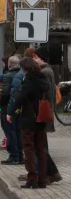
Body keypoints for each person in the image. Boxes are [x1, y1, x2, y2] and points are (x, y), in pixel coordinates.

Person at [7, 57, 49, 189]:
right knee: (41, 149)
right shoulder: (43, 79)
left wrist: (11, 112)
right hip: (41, 118)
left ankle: (32, 179)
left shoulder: (29, 81)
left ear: (25, 69)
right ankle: (42, 179)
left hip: (28, 119)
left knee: (29, 149)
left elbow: (20, 98)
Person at [31, 45, 63, 183]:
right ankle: (51, 173)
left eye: (35, 57)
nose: (33, 60)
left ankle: (47, 173)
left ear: (40, 58)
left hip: (43, 112)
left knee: (42, 147)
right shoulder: (45, 71)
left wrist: (45, 109)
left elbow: (48, 93)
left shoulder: (45, 72)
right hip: (44, 111)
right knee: (42, 146)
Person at [0, 56, 23, 165]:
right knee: (18, 131)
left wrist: (1, 103)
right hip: (20, 107)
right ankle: (20, 155)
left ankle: (14, 156)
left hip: (9, 107)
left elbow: (5, 93)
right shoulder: (22, 74)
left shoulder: (8, 76)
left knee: (10, 131)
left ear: (9, 64)